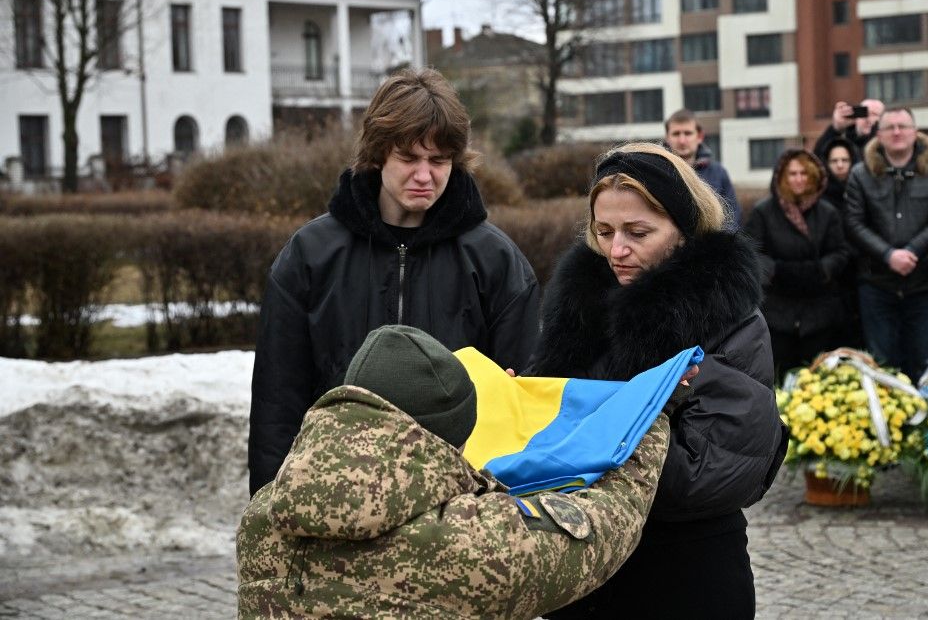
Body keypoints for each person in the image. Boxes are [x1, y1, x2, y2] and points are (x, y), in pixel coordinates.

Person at [237, 325, 677, 619]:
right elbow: (605, 527)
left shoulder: (263, 516)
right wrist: (646, 418)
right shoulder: (471, 543)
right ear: (449, 437)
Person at [248, 69, 541, 497]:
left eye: (439, 160)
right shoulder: (311, 254)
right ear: (379, 154)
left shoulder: (495, 260)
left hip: (457, 509)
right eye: (409, 158)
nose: (424, 175)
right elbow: (278, 400)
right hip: (334, 497)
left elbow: (525, 398)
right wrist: (269, 509)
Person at [529, 143, 788, 619]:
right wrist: (522, 401)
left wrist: (584, 435)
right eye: (604, 231)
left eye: (638, 232)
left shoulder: (729, 317)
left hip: (686, 571)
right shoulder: (578, 308)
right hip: (583, 569)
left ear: (685, 231)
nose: (617, 250)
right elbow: (549, 419)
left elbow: (717, 472)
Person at [845, 107, 928, 383]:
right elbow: (853, 222)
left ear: (915, 132)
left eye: (903, 126)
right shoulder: (861, 173)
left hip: (924, 284)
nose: (897, 132)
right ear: (879, 135)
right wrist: (888, 254)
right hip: (876, 283)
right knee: (882, 364)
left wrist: (913, 250)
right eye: (889, 127)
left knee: (923, 361)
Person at [744, 149, 849, 376]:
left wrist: (820, 271)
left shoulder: (827, 213)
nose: (799, 179)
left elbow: (840, 252)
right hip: (777, 310)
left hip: (819, 310)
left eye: (804, 173)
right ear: (781, 177)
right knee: (779, 378)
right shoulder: (764, 212)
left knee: (817, 379)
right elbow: (752, 252)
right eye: (792, 174)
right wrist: (779, 272)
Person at [663, 109, 740, 227]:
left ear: (699, 136)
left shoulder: (718, 173)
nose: (682, 140)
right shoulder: (656, 170)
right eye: (676, 134)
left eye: (688, 133)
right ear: (667, 138)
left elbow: (732, 217)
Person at [813, 98, 885, 163]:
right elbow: (818, 158)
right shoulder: (845, 140)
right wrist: (835, 129)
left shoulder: (886, 145)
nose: (868, 119)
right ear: (856, 117)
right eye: (864, 113)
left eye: (874, 114)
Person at [821, 135, 857, 211]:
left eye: (844, 160)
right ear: (826, 163)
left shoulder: (861, 192)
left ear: (852, 161)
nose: (840, 165)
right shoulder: (819, 195)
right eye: (834, 161)